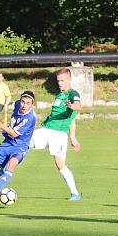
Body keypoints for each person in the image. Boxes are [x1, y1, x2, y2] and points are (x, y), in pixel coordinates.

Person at [30, 68, 82, 201]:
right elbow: (72, 119)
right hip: (46, 129)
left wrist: (72, 106)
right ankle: (4, 169)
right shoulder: (59, 95)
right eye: (58, 81)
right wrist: (73, 137)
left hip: (58, 135)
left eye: (62, 80)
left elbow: (78, 106)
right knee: (24, 142)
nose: (60, 83)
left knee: (60, 164)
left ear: (69, 80)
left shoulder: (72, 93)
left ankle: (75, 193)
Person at [0, 91, 37, 206]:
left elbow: (15, 134)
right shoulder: (16, 105)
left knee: (11, 165)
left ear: (32, 104)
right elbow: (5, 106)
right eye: (23, 102)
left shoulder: (30, 118)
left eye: (28, 103)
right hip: (7, 143)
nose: (24, 105)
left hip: (20, 146)